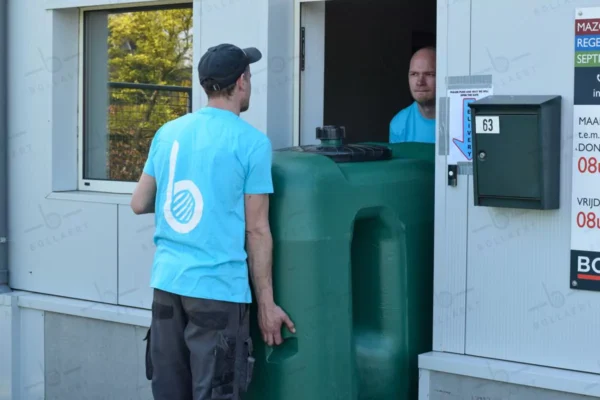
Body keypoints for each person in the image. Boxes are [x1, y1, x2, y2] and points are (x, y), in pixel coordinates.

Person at [130, 43, 295, 400]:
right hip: (218, 294)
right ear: (242, 82)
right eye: (249, 75)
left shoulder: (168, 132)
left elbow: (139, 202)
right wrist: (266, 303)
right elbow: (256, 229)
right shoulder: (252, 143)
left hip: (167, 287)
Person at [389, 46, 436, 144]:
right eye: (414, 74)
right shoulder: (399, 123)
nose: (420, 82)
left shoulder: (462, 120)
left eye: (429, 74)